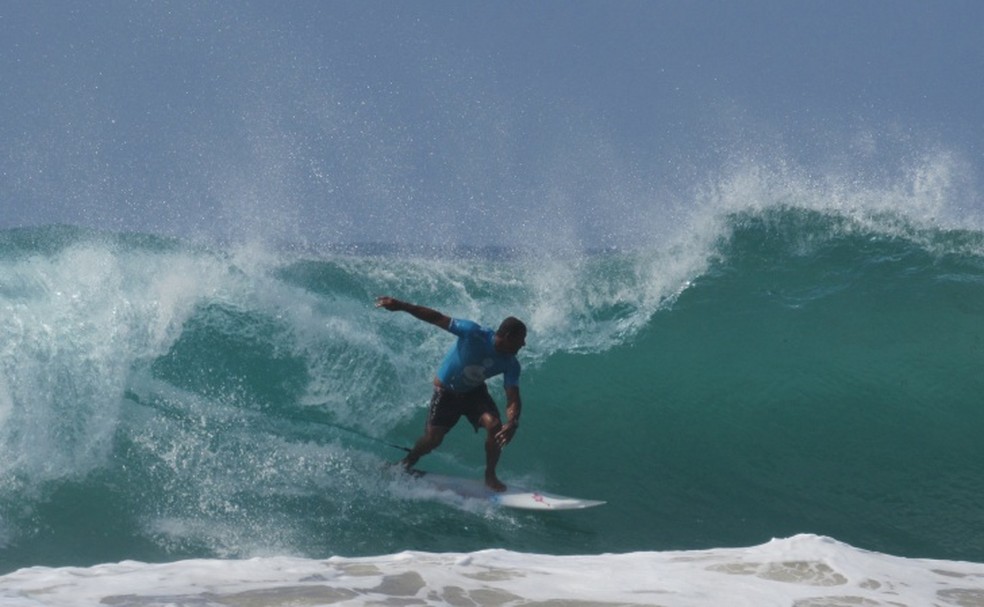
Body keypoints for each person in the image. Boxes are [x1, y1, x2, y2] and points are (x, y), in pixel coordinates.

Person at [375, 295, 526, 492]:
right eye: (521, 339)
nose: (523, 344)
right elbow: (436, 318)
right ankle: (406, 462)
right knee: (432, 440)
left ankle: (490, 475)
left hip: (474, 392)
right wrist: (402, 306)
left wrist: (512, 421)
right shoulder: (474, 333)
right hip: (446, 392)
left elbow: (512, 396)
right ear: (507, 337)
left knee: (495, 425)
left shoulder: (511, 363)